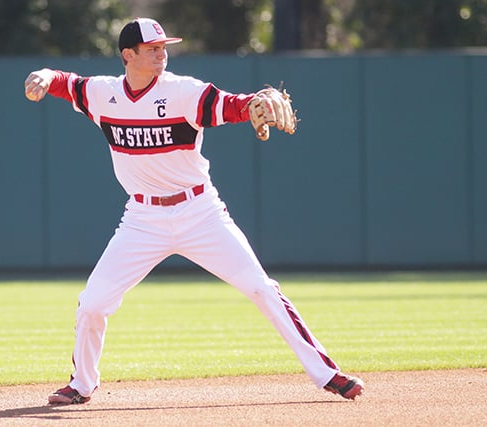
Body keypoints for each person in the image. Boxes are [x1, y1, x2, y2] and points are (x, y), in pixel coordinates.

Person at [24, 17, 364, 405]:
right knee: (92, 304)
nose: (161, 54)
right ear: (127, 55)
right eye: (152, 49)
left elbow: (231, 106)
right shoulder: (102, 94)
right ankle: (82, 384)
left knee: (261, 288)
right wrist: (45, 74)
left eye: (163, 47)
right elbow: (67, 83)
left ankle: (327, 373)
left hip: (200, 213)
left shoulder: (184, 92)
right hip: (142, 220)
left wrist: (255, 101)